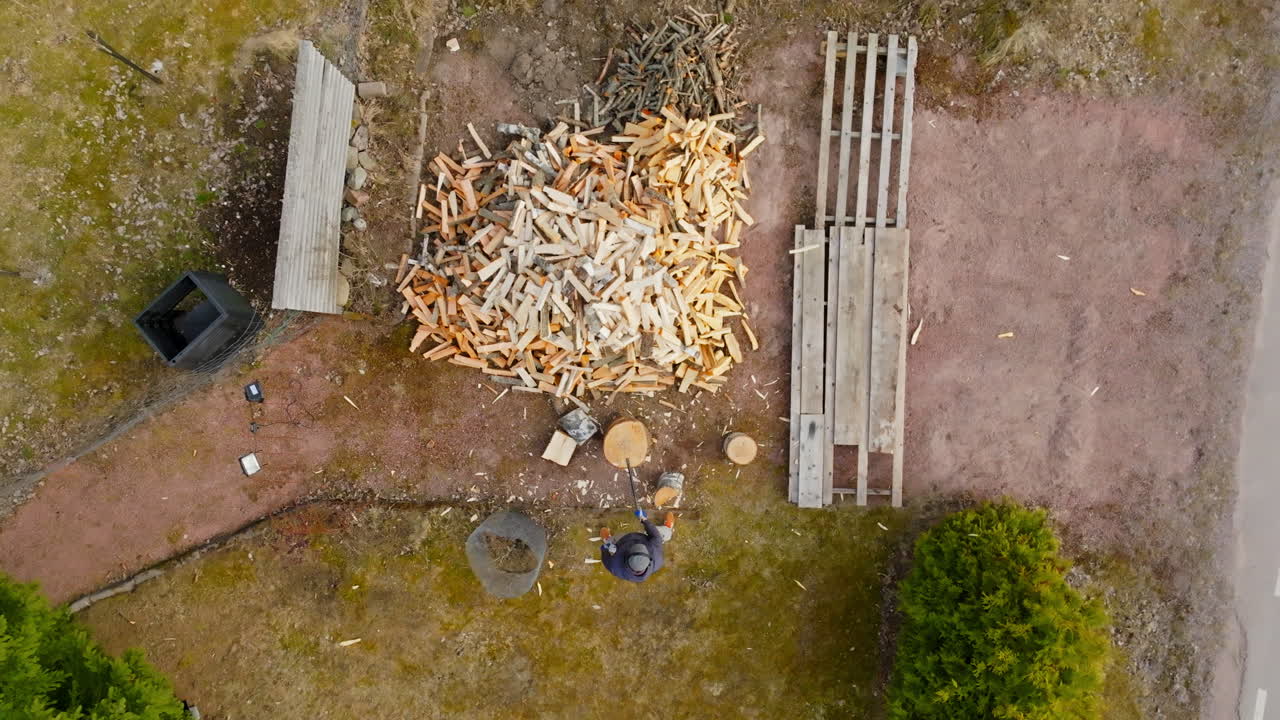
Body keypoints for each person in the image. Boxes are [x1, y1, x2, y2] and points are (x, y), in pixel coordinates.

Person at [600, 511, 674, 583]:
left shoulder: (615, 567)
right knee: (663, 534)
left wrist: (605, 548)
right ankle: (667, 528)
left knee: (611, 541)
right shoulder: (657, 559)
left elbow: (605, 558)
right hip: (644, 537)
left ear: (627, 558)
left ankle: (608, 539)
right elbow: (656, 536)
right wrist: (644, 520)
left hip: (623, 540)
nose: (636, 543)